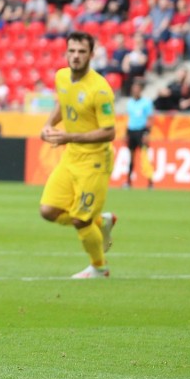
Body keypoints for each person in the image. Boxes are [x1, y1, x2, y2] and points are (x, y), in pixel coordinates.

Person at [39, 31, 117, 279]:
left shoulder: (100, 90)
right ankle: (100, 223)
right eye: (71, 51)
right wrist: (49, 125)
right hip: (71, 157)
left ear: (91, 55)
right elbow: (64, 103)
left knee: (80, 222)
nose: (76, 56)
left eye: (82, 52)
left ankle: (99, 267)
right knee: (48, 210)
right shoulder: (61, 77)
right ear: (65, 53)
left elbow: (109, 132)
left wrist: (68, 137)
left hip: (94, 161)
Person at [124, 80, 154, 189]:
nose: (135, 90)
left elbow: (150, 119)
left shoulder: (146, 103)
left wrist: (147, 133)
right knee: (131, 158)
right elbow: (130, 119)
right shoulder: (130, 102)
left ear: (140, 90)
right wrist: (126, 133)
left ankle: (150, 181)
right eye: (133, 88)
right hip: (132, 131)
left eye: (137, 88)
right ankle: (128, 181)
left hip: (141, 132)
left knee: (144, 157)